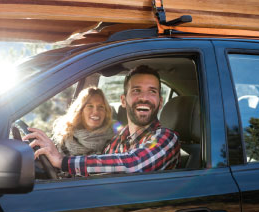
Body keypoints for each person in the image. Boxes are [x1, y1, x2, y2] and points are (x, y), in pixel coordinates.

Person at [24, 65, 180, 176]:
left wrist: (63, 161)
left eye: (152, 92)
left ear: (160, 102)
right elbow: (97, 172)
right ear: (124, 101)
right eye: (136, 90)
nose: (144, 98)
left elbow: (133, 164)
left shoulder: (166, 138)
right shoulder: (117, 140)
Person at [51, 87, 114, 156]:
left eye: (101, 107)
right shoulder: (63, 136)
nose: (96, 111)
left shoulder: (115, 130)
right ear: (80, 110)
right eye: (90, 106)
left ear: (106, 111)